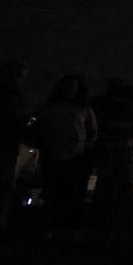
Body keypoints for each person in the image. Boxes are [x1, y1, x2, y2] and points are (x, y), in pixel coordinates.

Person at [36, 74, 97, 234]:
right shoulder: (49, 108)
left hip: (75, 158)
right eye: (68, 87)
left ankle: (67, 227)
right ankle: (52, 226)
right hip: (53, 155)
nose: (70, 90)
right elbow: (39, 129)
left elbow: (92, 131)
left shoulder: (83, 108)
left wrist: (84, 148)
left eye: (73, 87)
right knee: (53, 193)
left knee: (72, 193)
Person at [90, 78, 133, 231]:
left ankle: (106, 221)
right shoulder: (125, 111)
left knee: (110, 185)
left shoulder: (104, 107)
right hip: (118, 151)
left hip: (113, 151)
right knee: (118, 185)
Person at [0, 63, 28, 233]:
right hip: (4, 145)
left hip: (8, 146)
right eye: (19, 76)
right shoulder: (11, 97)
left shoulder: (13, 97)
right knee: (3, 186)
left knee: (4, 186)